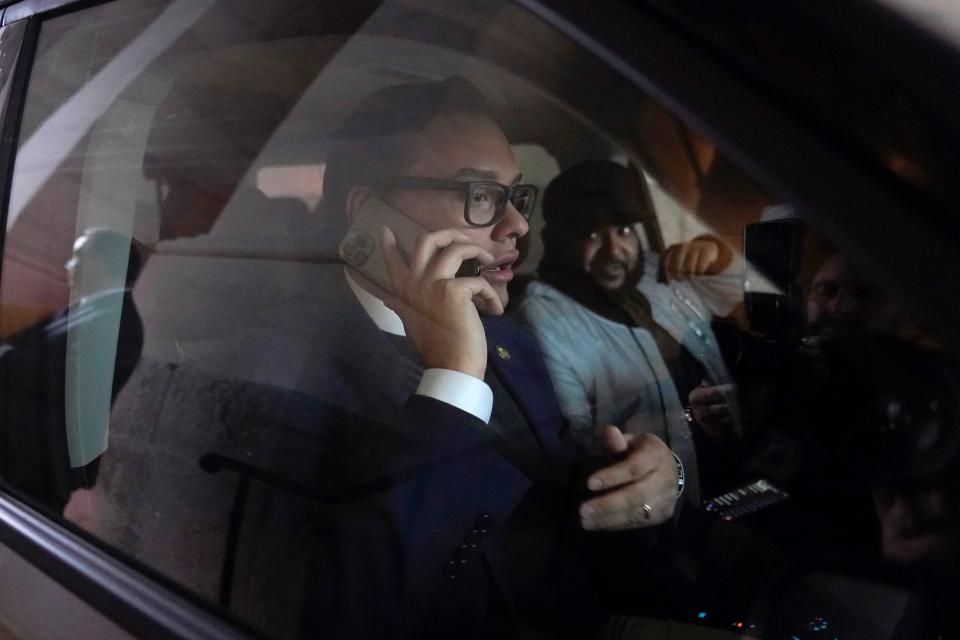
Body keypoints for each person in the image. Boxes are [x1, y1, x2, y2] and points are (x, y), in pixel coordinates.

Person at [298, 78, 693, 639]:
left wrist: (655, 484)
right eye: (480, 196)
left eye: (514, 195)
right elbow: (357, 611)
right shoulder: (282, 369)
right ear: (369, 213)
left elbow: (566, 510)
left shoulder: (510, 341)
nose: (518, 226)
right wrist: (454, 378)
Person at [514, 161, 740, 503]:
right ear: (558, 241)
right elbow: (577, 445)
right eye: (591, 235)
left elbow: (734, 289)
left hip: (733, 458)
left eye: (622, 230)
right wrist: (688, 418)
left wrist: (715, 252)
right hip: (664, 500)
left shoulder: (651, 270)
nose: (615, 249)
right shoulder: (545, 320)